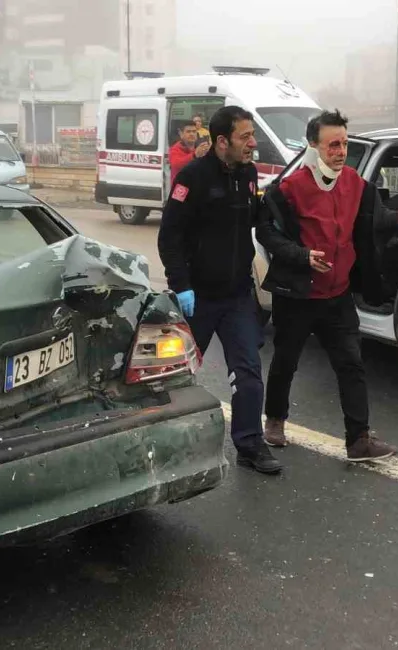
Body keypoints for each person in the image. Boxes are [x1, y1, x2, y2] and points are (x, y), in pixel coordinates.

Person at [257, 109, 398, 462]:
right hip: (299, 295)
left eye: (344, 144)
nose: (340, 151)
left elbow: (375, 219)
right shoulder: (290, 188)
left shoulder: (354, 183)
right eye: (333, 145)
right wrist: (302, 256)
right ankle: (274, 420)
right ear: (313, 146)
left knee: (351, 365)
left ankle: (358, 440)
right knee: (286, 362)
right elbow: (266, 232)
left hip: (337, 296)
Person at [157, 105, 283, 475]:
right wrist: (181, 285)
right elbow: (170, 236)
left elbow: (254, 219)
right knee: (175, 374)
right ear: (222, 140)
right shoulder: (192, 178)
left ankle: (250, 444)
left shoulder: (246, 174)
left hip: (237, 295)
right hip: (197, 298)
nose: (253, 143)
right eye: (246, 136)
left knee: (248, 373)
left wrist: (275, 206)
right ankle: (164, 444)